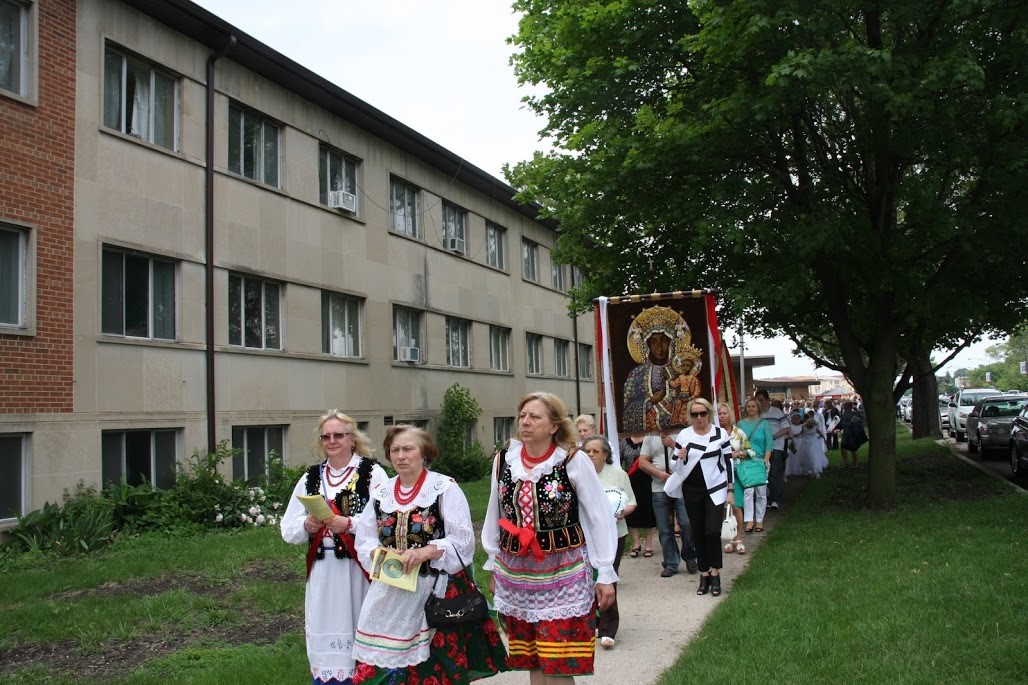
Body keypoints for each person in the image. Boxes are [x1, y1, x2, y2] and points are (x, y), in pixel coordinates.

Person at [351, 425, 507, 685]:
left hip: (436, 590)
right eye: (395, 450)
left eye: (408, 449)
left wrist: (427, 551)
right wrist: (380, 552)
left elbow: (463, 541)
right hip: (391, 589)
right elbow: (365, 538)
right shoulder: (381, 493)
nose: (401, 456)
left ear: (424, 453)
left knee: (434, 668)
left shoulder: (444, 488)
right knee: (379, 666)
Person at [482, 392, 618, 684]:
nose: (525, 422)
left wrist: (605, 572)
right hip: (517, 574)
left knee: (557, 660)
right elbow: (495, 513)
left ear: (554, 425)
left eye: (535, 417)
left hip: (563, 573)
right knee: (534, 660)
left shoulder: (572, 461)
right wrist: (493, 563)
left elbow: (599, 517)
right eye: (523, 416)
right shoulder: (503, 460)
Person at [280, 410, 388, 685]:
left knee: (361, 629)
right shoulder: (311, 477)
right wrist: (307, 524)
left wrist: (349, 523)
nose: (332, 441)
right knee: (326, 631)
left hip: (358, 570)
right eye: (326, 436)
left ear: (352, 439)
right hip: (324, 572)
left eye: (338, 435)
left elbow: (388, 521)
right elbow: (288, 527)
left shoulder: (371, 473)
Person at [667, 398, 734, 597]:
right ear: (690, 416)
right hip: (692, 489)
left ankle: (715, 573)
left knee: (712, 531)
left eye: (702, 414)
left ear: (709, 414)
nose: (699, 418)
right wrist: (680, 456)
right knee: (697, 532)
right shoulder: (684, 435)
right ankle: (704, 574)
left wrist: (730, 489)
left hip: (716, 487)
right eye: (695, 414)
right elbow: (674, 465)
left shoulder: (720, 433)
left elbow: (728, 461)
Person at [583, 436, 637, 650]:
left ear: (605, 454)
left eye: (595, 451)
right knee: (587, 581)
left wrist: (620, 513)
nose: (591, 455)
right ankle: (592, 623)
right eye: (587, 451)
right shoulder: (579, 476)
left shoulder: (618, 474)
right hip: (586, 537)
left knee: (608, 578)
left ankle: (608, 629)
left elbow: (632, 501)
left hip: (614, 535)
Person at [622, 305, 701, 432]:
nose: (659, 347)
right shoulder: (637, 374)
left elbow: (696, 402)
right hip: (648, 437)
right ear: (646, 345)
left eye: (664, 341)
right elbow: (627, 411)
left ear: (672, 342)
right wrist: (651, 401)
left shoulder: (682, 370)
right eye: (653, 342)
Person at [638, 430, 699, 577]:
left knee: (686, 523)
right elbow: (642, 462)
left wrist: (672, 444)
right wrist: (658, 473)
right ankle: (671, 562)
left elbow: (695, 457)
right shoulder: (651, 436)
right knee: (664, 528)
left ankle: (690, 555)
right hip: (660, 487)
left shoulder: (685, 433)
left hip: (682, 485)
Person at [735, 398, 773, 534]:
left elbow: (769, 444)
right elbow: (737, 441)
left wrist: (766, 461)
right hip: (746, 460)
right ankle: (749, 520)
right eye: (748, 406)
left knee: (761, 493)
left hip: (761, 460)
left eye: (753, 406)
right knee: (748, 492)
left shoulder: (764, 424)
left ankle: (760, 520)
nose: (750, 408)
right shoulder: (740, 424)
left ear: (758, 408)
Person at [620, 433, 656, 558]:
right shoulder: (624, 442)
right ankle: (636, 543)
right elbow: (618, 462)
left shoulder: (650, 439)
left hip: (648, 479)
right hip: (631, 480)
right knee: (632, 512)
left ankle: (649, 544)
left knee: (649, 511)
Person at [717, 403, 746, 556]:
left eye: (724, 413)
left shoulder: (739, 433)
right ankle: (728, 537)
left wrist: (738, 453)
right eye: (719, 414)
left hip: (735, 473)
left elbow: (750, 451)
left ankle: (738, 538)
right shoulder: (714, 433)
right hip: (718, 475)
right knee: (722, 508)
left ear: (730, 415)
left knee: (736, 506)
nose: (722, 416)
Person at [755, 390, 790, 510]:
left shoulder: (776, 412)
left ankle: (775, 499)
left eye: (761, 400)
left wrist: (774, 436)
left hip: (775, 447)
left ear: (767, 400)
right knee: (763, 474)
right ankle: (766, 498)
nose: (759, 402)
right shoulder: (757, 414)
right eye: (757, 400)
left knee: (774, 473)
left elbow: (786, 428)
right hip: (761, 448)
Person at [786, 410, 829, 478]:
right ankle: (808, 470)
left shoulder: (805, 426)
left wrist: (823, 438)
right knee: (803, 456)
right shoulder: (803, 427)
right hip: (802, 442)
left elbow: (801, 433)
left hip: (805, 443)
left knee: (809, 456)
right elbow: (800, 433)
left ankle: (813, 470)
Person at [839, 400, 867, 468]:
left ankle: (855, 463)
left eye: (845, 406)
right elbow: (842, 423)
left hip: (852, 434)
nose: (844, 407)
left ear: (849, 407)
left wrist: (855, 421)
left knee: (853, 449)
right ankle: (846, 463)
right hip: (845, 433)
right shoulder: (844, 414)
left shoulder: (854, 414)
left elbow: (860, 421)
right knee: (843, 448)